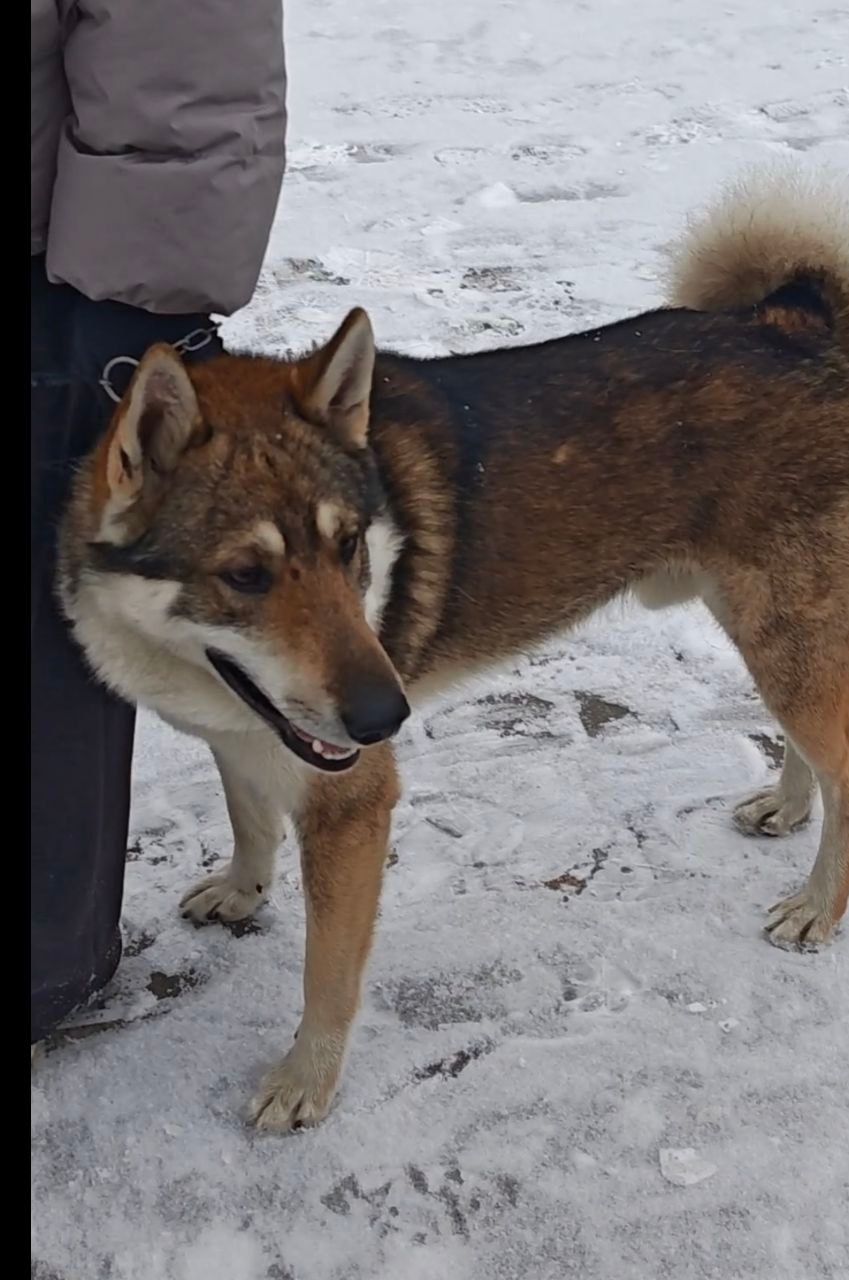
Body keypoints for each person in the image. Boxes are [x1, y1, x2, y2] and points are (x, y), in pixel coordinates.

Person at [30, 1, 287, 1043]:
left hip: (66, 288)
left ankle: (45, 959)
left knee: (52, 645)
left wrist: (134, 303)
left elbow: (183, 45)